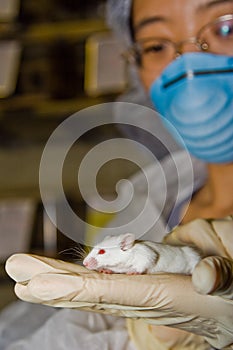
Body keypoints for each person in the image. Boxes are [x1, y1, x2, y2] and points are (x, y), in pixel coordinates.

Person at [3, 0, 233, 349]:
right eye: (156, 45)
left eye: (226, 27)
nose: (187, 63)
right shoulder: (149, 194)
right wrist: (143, 340)